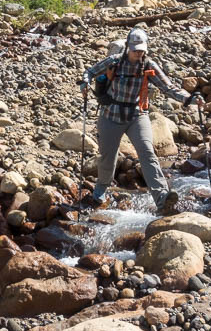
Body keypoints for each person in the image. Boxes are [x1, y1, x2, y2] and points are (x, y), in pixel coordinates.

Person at [79, 27, 202, 214]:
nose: (138, 53)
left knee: (147, 152)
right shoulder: (114, 61)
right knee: (107, 158)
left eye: (141, 49)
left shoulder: (149, 65)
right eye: (135, 49)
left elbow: (168, 88)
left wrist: (189, 99)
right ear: (128, 47)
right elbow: (89, 72)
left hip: (137, 116)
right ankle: (100, 191)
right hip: (110, 115)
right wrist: (85, 83)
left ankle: (162, 198)